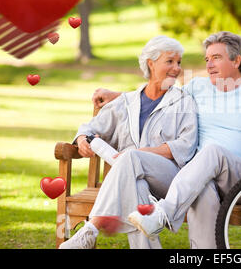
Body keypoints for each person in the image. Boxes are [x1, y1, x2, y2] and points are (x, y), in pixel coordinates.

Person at [93, 31, 241, 248]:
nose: (209, 64)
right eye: (207, 59)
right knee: (202, 188)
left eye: (216, 58)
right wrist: (116, 95)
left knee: (212, 152)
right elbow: (161, 94)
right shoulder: (198, 88)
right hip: (204, 177)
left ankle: (163, 214)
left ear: (236, 60)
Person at [59, 35, 198, 249]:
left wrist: (141, 153)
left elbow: (185, 146)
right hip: (132, 180)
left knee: (132, 155)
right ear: (151, 63)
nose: (176, 68)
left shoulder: (183, 101)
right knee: (137, 188)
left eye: (178, 62)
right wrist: (80, 139)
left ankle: (91, 228)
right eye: (169, 61)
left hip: (170, 181)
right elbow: (89, 128)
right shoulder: (126, 103)